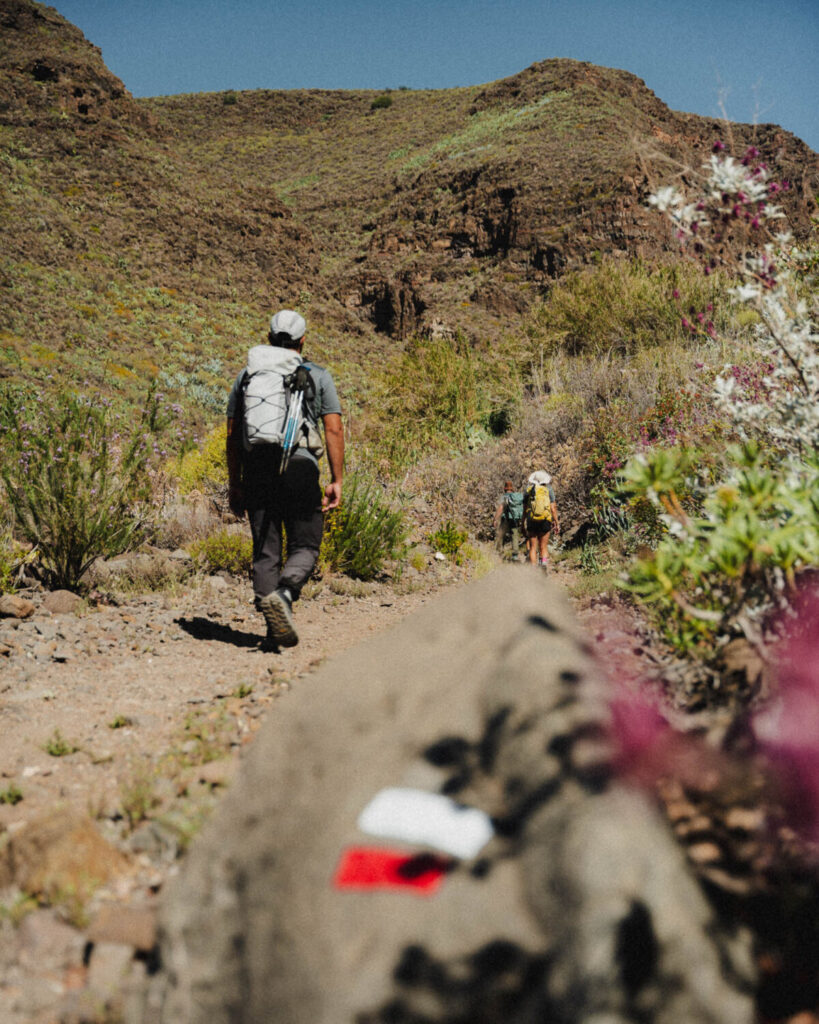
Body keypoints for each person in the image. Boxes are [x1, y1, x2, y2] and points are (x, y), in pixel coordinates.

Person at [226, 309, 344, 650]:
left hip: (258, 468)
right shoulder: (317, 375)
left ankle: (272, 626)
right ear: (303, 340)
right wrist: (336, 479)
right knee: (305, 545)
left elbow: (233, 436)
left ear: (268, 337)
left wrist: (236, 482)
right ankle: (286, 593)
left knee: (265, 553)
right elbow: (333, 428)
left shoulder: (246, 377)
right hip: (300, 467)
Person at [523, 470, 560, 570]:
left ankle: (534, 571)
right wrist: (556, 522)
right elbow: (553, 508)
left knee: (533, 547)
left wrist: (523, 522)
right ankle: (543, 565)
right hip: (545, 520)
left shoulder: (528, 489)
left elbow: (525, 508)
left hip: (531, 520)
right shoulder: (549, 489)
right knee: (543, 546)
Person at [492, 480, 524, 561]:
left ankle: (500, 552)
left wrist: (495, 519)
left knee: (501, 534)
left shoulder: (504, 497)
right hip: (514, 519)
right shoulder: (515, 497)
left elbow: (500, 508)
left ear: (505, 488)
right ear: (512, 488)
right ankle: (515, 555)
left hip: (505, 519)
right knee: (514, 535)